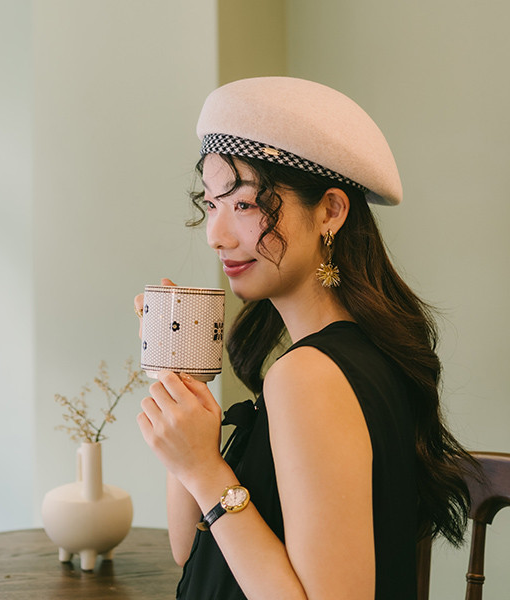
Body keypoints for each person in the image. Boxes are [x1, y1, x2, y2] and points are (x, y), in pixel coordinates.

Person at [134, 77, 473, 600]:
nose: (216, 235)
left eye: (245, 205)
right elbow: (191, 551)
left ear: (330, 211)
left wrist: (204, 470)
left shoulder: (310, 376)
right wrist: (178, 370)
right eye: (212, 204)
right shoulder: (354, 354)